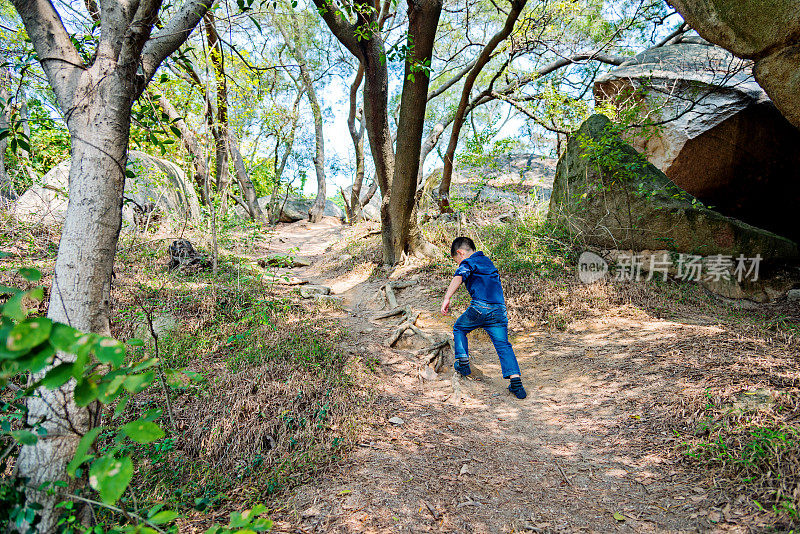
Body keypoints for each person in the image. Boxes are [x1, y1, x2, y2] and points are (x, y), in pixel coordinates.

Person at [440, 237, 527, 399]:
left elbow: (459, 276)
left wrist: (447, 298)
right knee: (503, 345)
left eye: (457, 260)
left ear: (461, 253)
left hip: (480, 307)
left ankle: (463, 362)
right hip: (499, 310)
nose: (458, 264)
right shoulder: (487, 262)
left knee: (459, 328)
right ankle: (516, 383)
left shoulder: (468, 262)